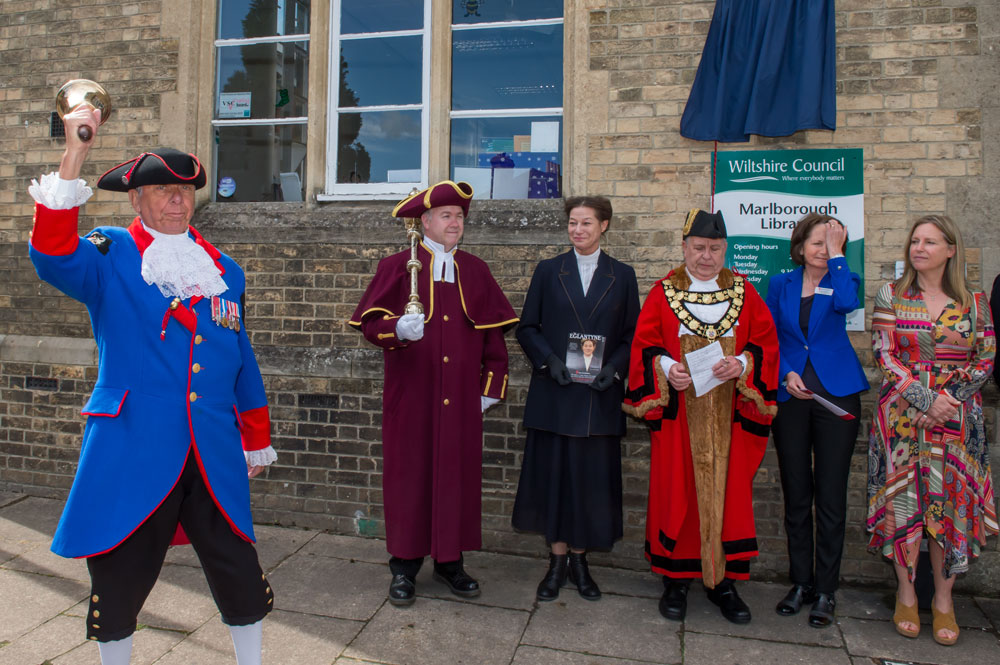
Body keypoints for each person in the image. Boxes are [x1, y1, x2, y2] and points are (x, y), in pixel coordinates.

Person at [27, 107, 277, 665]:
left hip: (212, 445)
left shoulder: (224, 269)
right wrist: (75, 153)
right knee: (120, 571)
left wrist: (255, 434)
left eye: (184, 190)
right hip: (133, 439)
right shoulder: (111, 252)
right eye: (162, 190)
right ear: (136, 199)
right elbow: (52, 256)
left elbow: (238, 354)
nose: (176, 200)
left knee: (238, 566)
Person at [349, 180, 517, 606]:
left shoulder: (476, 270)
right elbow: (370, 326)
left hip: (461, 400)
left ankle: (450, 563)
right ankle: (404, 567)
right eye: (446, 216)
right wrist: (396, 330)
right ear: (425, 222)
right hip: (412, 398)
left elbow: (494, 342)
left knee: (457, 479)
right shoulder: (397, 267)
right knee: (410, 479)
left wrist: (490, 390)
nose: (455, 223)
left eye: (459, 216)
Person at [624, 209, 778, 625]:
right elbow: (643, 346)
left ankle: (723, 582)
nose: (706, 257)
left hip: (730, 419)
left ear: (725, 250)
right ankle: (676, 580)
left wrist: (742, 364)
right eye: (698, 248)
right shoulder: (663, 292)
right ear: (684, 247)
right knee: (679, 493)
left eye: (714, 249)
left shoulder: (745, 292)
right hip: (680, 419)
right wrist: (665, 368)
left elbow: (766, 343)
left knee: (729, 498)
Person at [867, 215, 997, 646]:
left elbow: (985, 358)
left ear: (950, 250)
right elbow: (884, 354)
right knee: (905, 503)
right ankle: (906, 593)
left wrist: (948, 400)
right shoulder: (892, 295)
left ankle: (943, 600)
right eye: (915, 241)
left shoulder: (975, 301)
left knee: (950, 506)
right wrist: (926, 399)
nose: (919, 248)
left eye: (929, 242)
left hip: (957, 419)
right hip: (903, 415)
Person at [512, 195, 639, 601]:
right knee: (554, 482)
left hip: (598, 398)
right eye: (572, 222)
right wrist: (549, 362)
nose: (578, 229)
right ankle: (556, 562)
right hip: (556, 392)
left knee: (590, 484)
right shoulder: (549, 271)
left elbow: (632, 335)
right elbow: (527, 328)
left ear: (604, 226)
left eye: (586, 223)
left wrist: (614, 369)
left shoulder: (623, 275)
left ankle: (580, 563)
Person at [765, 214, 869, 628]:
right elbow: (769, 335)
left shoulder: (846, 277)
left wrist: (839, 255)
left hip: (836, 395)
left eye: (831, 243)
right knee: (796, 493)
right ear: (800, 246)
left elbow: (847, 304)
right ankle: (801, 583)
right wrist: (785, 373)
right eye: (817, 243)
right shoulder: (780, 284)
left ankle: (826, 590)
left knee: (830, 495)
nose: (823, 251)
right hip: (791, 397)